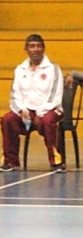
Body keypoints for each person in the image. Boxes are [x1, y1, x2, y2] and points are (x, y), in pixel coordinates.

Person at [1, 34, 64, 172]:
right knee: (7, 119)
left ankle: (56, 161)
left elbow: (55, 95)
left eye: (38, 46)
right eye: (32, 46)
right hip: (26, 111)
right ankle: (11, 161)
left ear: (43, 48)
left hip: (49, 110)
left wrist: (40, 113)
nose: (35, 49)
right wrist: (22, 110)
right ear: (26, 49)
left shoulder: (53, 69)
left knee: (48, 121)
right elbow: (14, 95)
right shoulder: (20, 69)